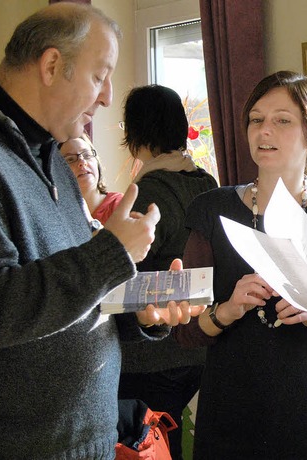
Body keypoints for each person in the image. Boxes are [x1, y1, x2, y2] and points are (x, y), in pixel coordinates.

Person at [0, 4, 201, 459]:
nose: (108, 96)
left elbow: (63, 295)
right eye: (99, 75)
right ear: (51, 65)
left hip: (82, 441)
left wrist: (138, 315)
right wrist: (111, 252)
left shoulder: (48, 154)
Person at [173, 70, 307, 459]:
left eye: (282, 120)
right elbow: (187, 330)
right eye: (256, 119)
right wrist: (228, 309)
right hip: (230, 426)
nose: (264, 131)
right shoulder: (211, 209)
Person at [115, 84, 218, 460]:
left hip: (156, 352)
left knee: (145, 444)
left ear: (135, 132)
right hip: (200, 346)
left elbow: (124, 273)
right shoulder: (206, 183)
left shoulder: (148, 193)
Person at [60, 131, 123, 224]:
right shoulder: (58, 215)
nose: (82, 162)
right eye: (70, 159)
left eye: (87, 155)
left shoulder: (120, 204)